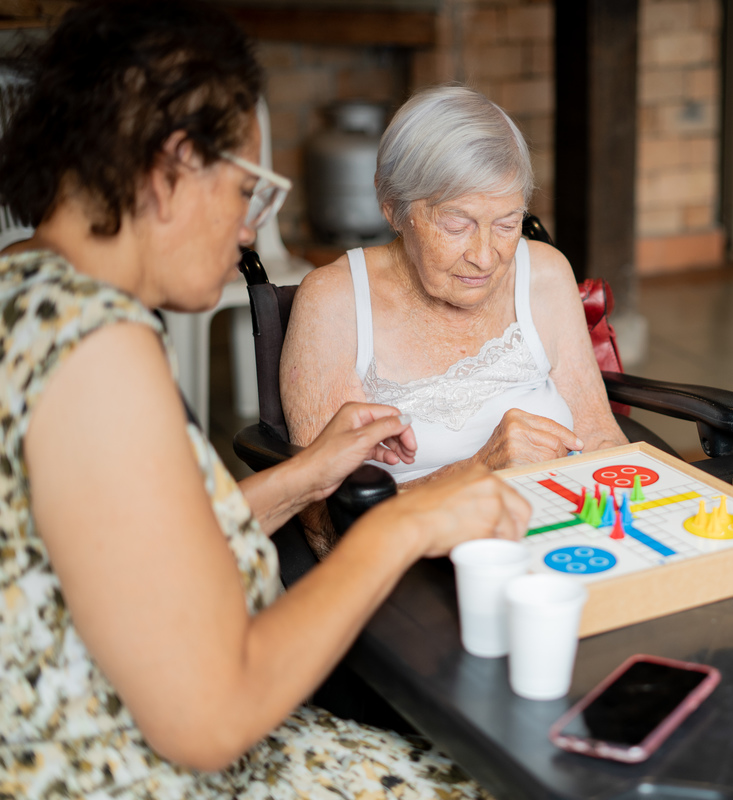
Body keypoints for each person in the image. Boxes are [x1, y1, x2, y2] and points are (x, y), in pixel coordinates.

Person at [0, 3, 528, 797]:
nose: (249, 233)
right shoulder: (96, 348)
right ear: (174, 165)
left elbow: (135, 551)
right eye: (248, 189)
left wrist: (309, 474)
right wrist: (404, 524)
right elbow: (209, 721)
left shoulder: (23, 280)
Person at [281, 85, 627, 557]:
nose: (485, 256)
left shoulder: (544, 272)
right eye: (457, 225)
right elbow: (327, 527)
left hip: (563, 542)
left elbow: (603, 438)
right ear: (394, 209)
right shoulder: (334, 301)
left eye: (507, 224)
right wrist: (480, 465)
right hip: (414, 572)